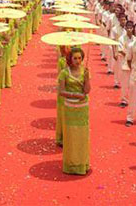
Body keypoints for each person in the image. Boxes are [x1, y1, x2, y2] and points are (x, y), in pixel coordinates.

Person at [58, 46, 91, 175]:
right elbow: (61, 91)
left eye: (79, 58)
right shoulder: (64, 73)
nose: (78, 61)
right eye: (75, 58)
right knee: (70, 135)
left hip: (82, 108)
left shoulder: (85, 72)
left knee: (82, 135)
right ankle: (71, 165)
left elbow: (87, 91)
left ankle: (82, 163)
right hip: (70, 108)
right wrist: (75, 95)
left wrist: (87, 78)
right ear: (70, 59)